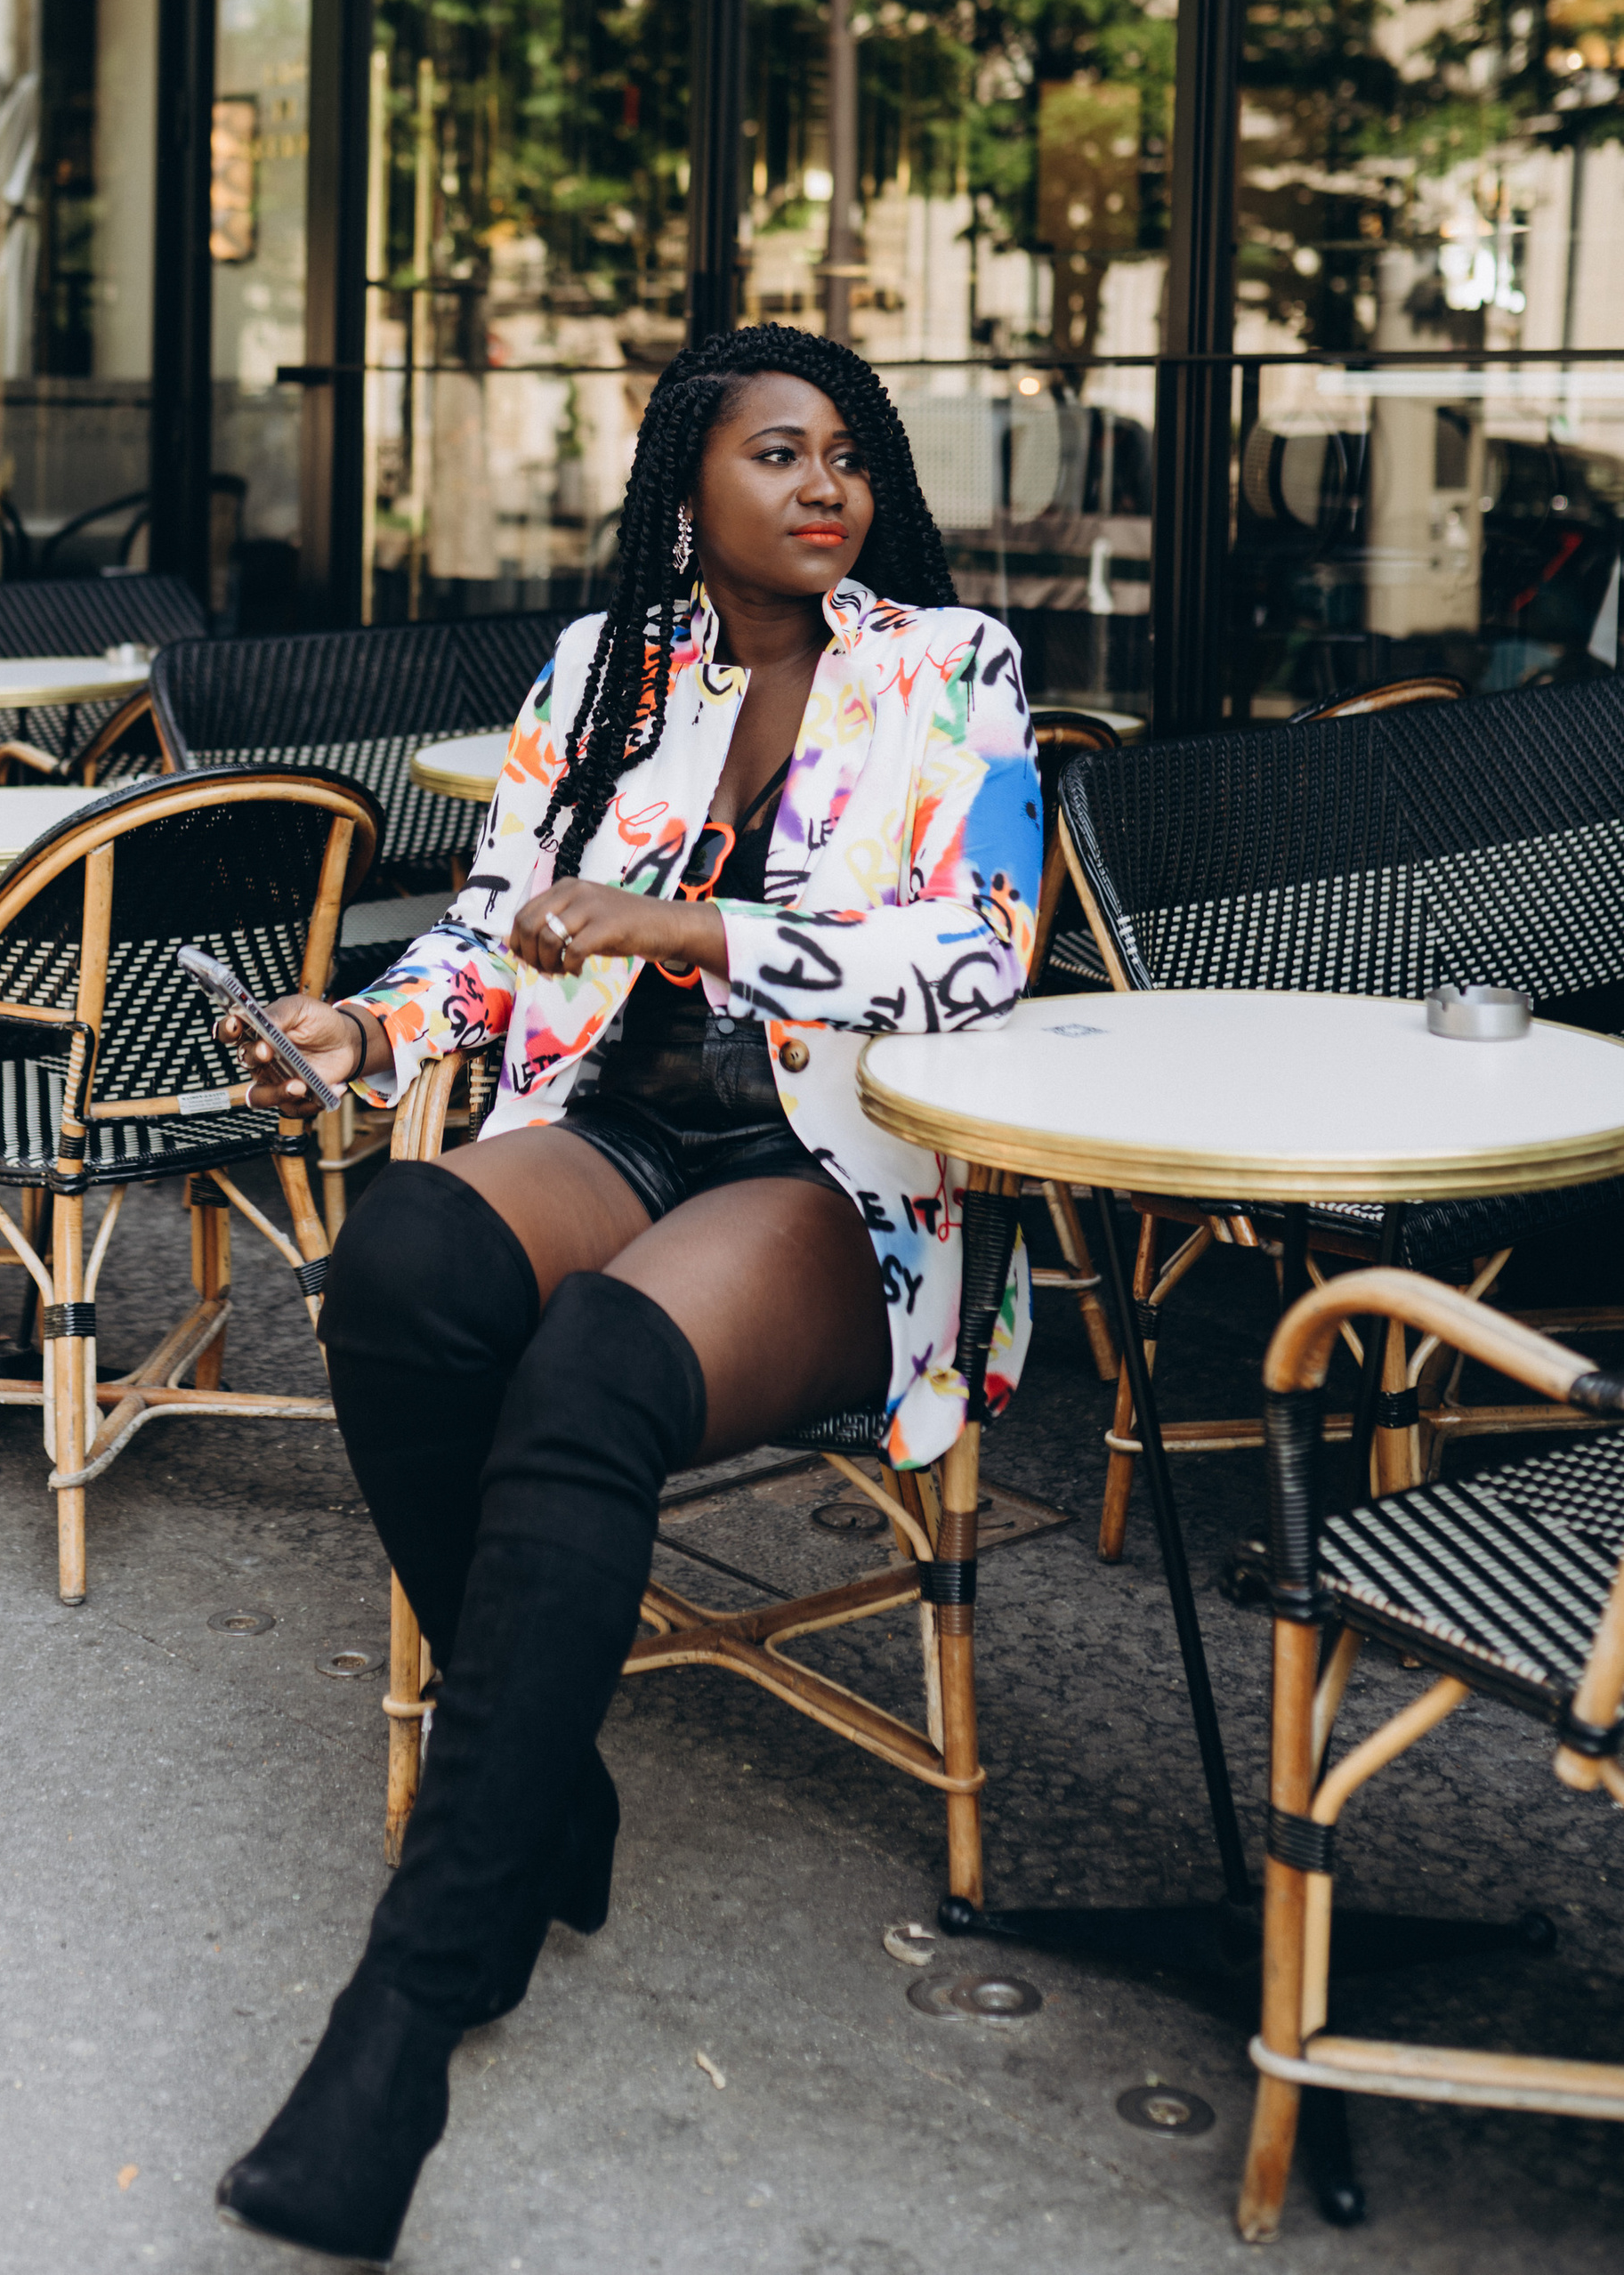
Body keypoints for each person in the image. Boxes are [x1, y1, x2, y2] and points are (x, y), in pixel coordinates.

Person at [214, 322, 1042, 2264]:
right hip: (627, 1131)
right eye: (777, 451)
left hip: (838, 1179)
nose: (824, 484)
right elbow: (497, 945)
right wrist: (358, 1024)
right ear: (688, 484)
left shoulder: (949, 672)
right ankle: (543, 1781)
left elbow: (977, 960)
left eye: (846, 453)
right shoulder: (602, 673)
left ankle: (408, 2003)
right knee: (402, 1263)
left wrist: (692, 923)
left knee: (589, 1372)